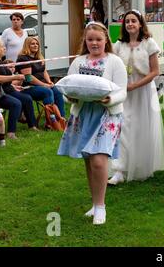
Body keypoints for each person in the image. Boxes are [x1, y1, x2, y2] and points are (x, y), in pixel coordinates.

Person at [57, 22, 127, 225]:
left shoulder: (115, 62)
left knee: (98, 161)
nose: (94, 43)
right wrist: (69, 98)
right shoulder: (78, 61)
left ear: (106, 40)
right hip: (83, 114)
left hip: (107, 115)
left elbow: (122, 90)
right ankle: (95, 203)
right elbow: (69, 87)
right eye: (90, 40)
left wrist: (109, 100)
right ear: (85, 41)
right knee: (88, 160)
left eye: (98, 39)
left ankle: (101, 207)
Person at [108, 9, 164, 184]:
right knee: (123, 126)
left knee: (141, 127)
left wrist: (135, 85)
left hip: (142, 91)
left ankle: (141, 165)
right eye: (127, 21)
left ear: (140, 23)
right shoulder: (119, 45)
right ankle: (120, 169)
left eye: (134, 21)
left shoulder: (149, 43)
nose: (130, 24)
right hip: (123, 91)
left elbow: (155, 71)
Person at [0, 39, 37, 139]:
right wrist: (15, 77)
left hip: (6, 89)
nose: (4, 48)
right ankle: (11, 132)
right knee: (16, 103)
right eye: (2, 46)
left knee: (27, 98)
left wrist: (14, 84)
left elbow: (4, 79)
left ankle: (32, 125)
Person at [16, 37, 66, 118]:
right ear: (27, 45)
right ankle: (51, 120)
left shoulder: (39, 57)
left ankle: (61, 118)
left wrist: (49, 82)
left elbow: (44, 71)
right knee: (47, 91)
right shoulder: (23, 58)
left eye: (37, 44)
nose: (35, 46)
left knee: (57, 91)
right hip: (28, 87)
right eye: (32, 44)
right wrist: (44, 85)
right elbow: (28, 78)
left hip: (43, 85)